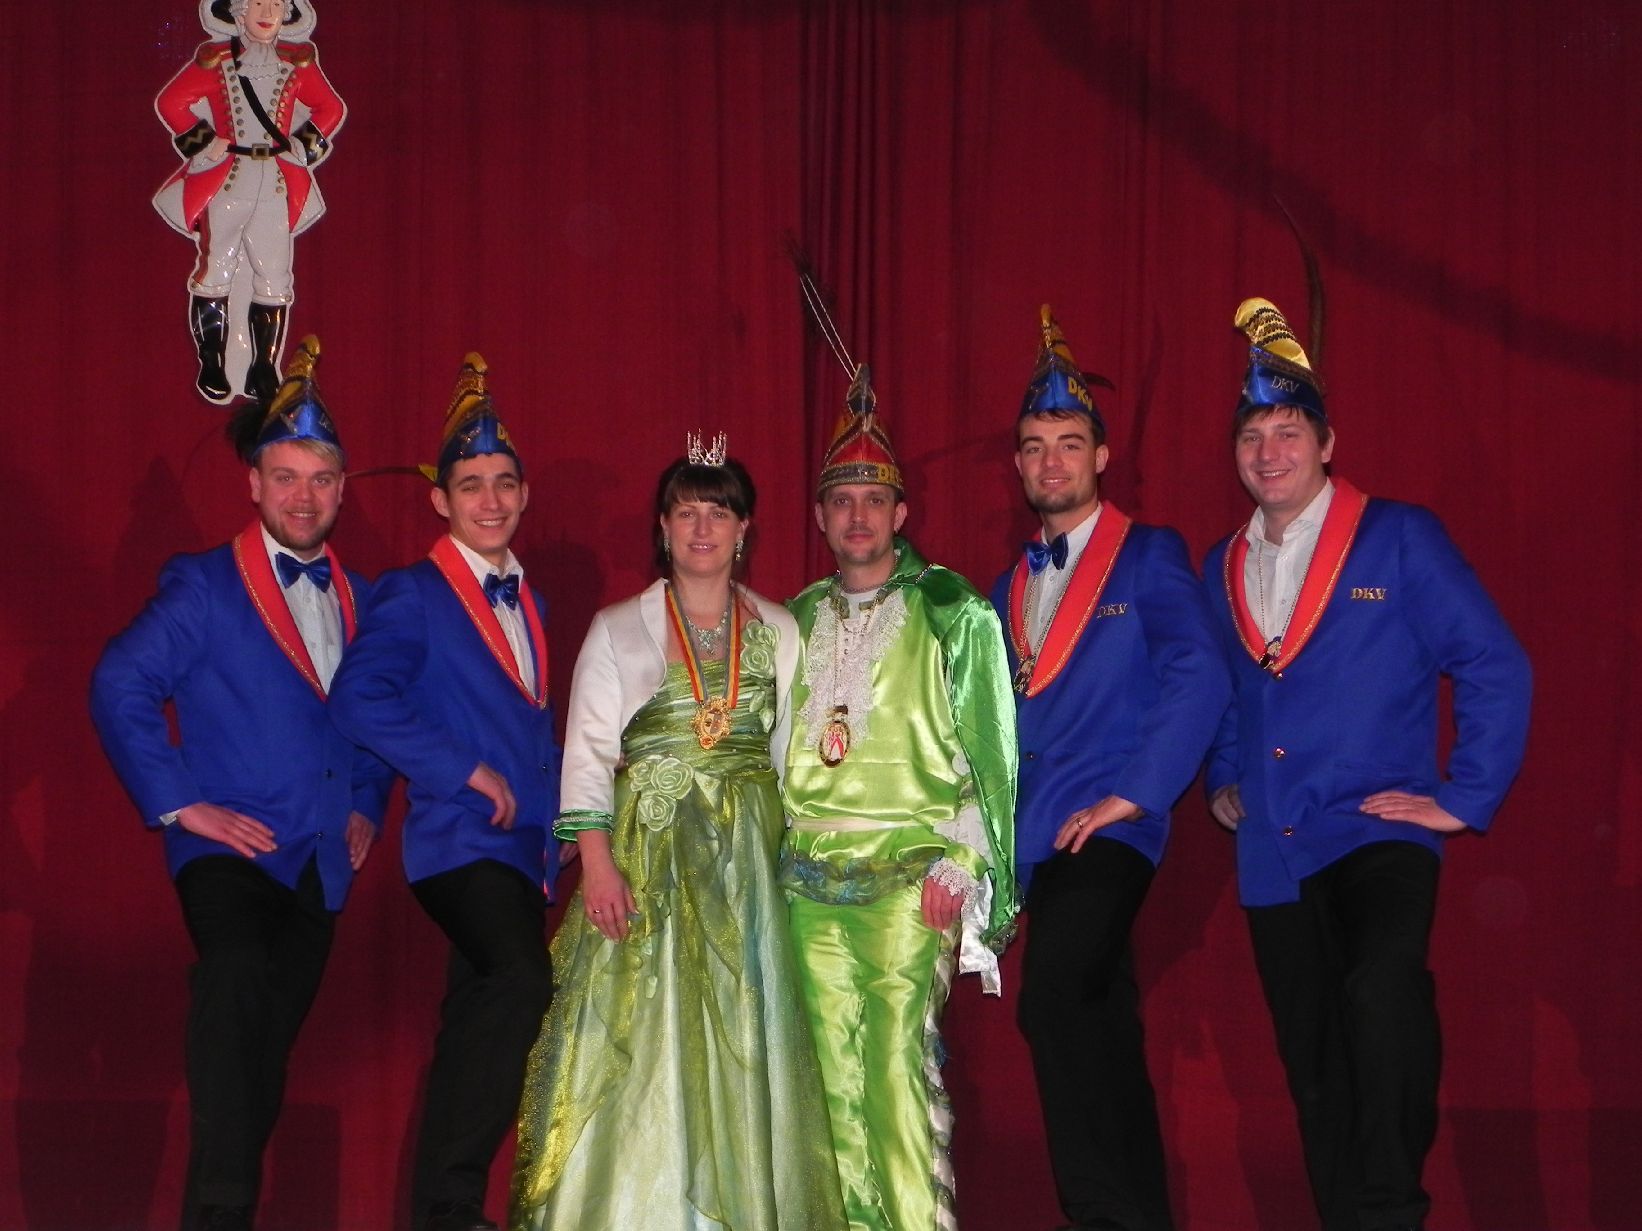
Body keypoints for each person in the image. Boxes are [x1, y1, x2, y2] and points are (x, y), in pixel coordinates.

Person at [1202, 298, 1532, 1231]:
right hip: (1274, 846)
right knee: (1314, 1066)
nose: (1270, 452)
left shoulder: (1398, 535)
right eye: (1253, 435)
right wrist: (1224, 777)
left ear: (1327, 442)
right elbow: (1224, 689)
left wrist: (1463, 797)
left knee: (1382, 996)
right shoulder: (1219, 563)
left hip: (1380, 828)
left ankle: (1392, 1208)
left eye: (1289, 432)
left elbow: (1495, 662)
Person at [509, 435, 846, 1231]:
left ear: (744, 528)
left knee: (743, 1028)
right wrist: (597, 863)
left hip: (746, 865)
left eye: (718, 513)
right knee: (647, 1027)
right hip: (648, 855)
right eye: (686, 512)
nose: (702, 528)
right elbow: (588, 753)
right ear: (662, 527)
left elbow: (789, 756)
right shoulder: (617, 628)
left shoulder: (780, 628)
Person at [90, 338, 390, 1231]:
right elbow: (120, 681)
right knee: (232, 979)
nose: (303, 495)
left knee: (256, 1060)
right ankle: (223, 1211)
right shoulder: (204, 584)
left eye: (320, 479)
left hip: (320, 863)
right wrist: (182, 803)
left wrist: (366, 803)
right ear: (253, 484)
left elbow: (381, 715)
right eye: (285, 476)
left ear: (342, 489)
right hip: (228, 853)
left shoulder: (367, 598)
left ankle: (212, 1215)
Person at [991, 308, 1229, 1231]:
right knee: (1099, 1021)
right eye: (1035, 447)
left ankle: (1099, 1215)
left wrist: (1137, 793)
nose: (1051, 462)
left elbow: (1199, 670)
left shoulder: (1151, 552)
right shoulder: (1005, 586)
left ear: (1100, 456)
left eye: (1068, 444)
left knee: (1052, 1002)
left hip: (1111, 826)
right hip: (1034, 840)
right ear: (1019, 466)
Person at [780, 365, 1018, 1230]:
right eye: (841, 500)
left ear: (901, 513)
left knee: (892, 1068)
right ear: (819, 517)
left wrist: (964, 857)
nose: (858, 516)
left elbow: (990, 754)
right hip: (806, 875)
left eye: (873, 501)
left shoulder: (956, 610)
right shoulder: (793, 619)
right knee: (826, 1082)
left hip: (910, 874)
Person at [329, 354, 560, 1231]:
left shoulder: (528, 598)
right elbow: (359, 698)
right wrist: (464, 770)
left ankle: (441, 1208)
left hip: (523, 851)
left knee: (474, 1015)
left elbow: (526, 723)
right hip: (458, 843)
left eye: (503, 483)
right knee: (520, 979)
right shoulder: (414, 592)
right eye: (470, 485)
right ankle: (454, 1201)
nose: (489, 500)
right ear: (440, 500)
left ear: (524, 493)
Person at [153, 0, 346, 404]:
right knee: (215, 269)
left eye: (276, 4)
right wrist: (206, 142)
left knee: (274, 275)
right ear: (239, 12)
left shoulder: (297, 62)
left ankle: (264, 366)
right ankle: (212, 361)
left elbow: (331, 107)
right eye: (258, 2)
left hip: (274, 180)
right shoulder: (215, 61)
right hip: (228, 180)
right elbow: (172, 102)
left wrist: (301, 148)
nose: (267, 12)